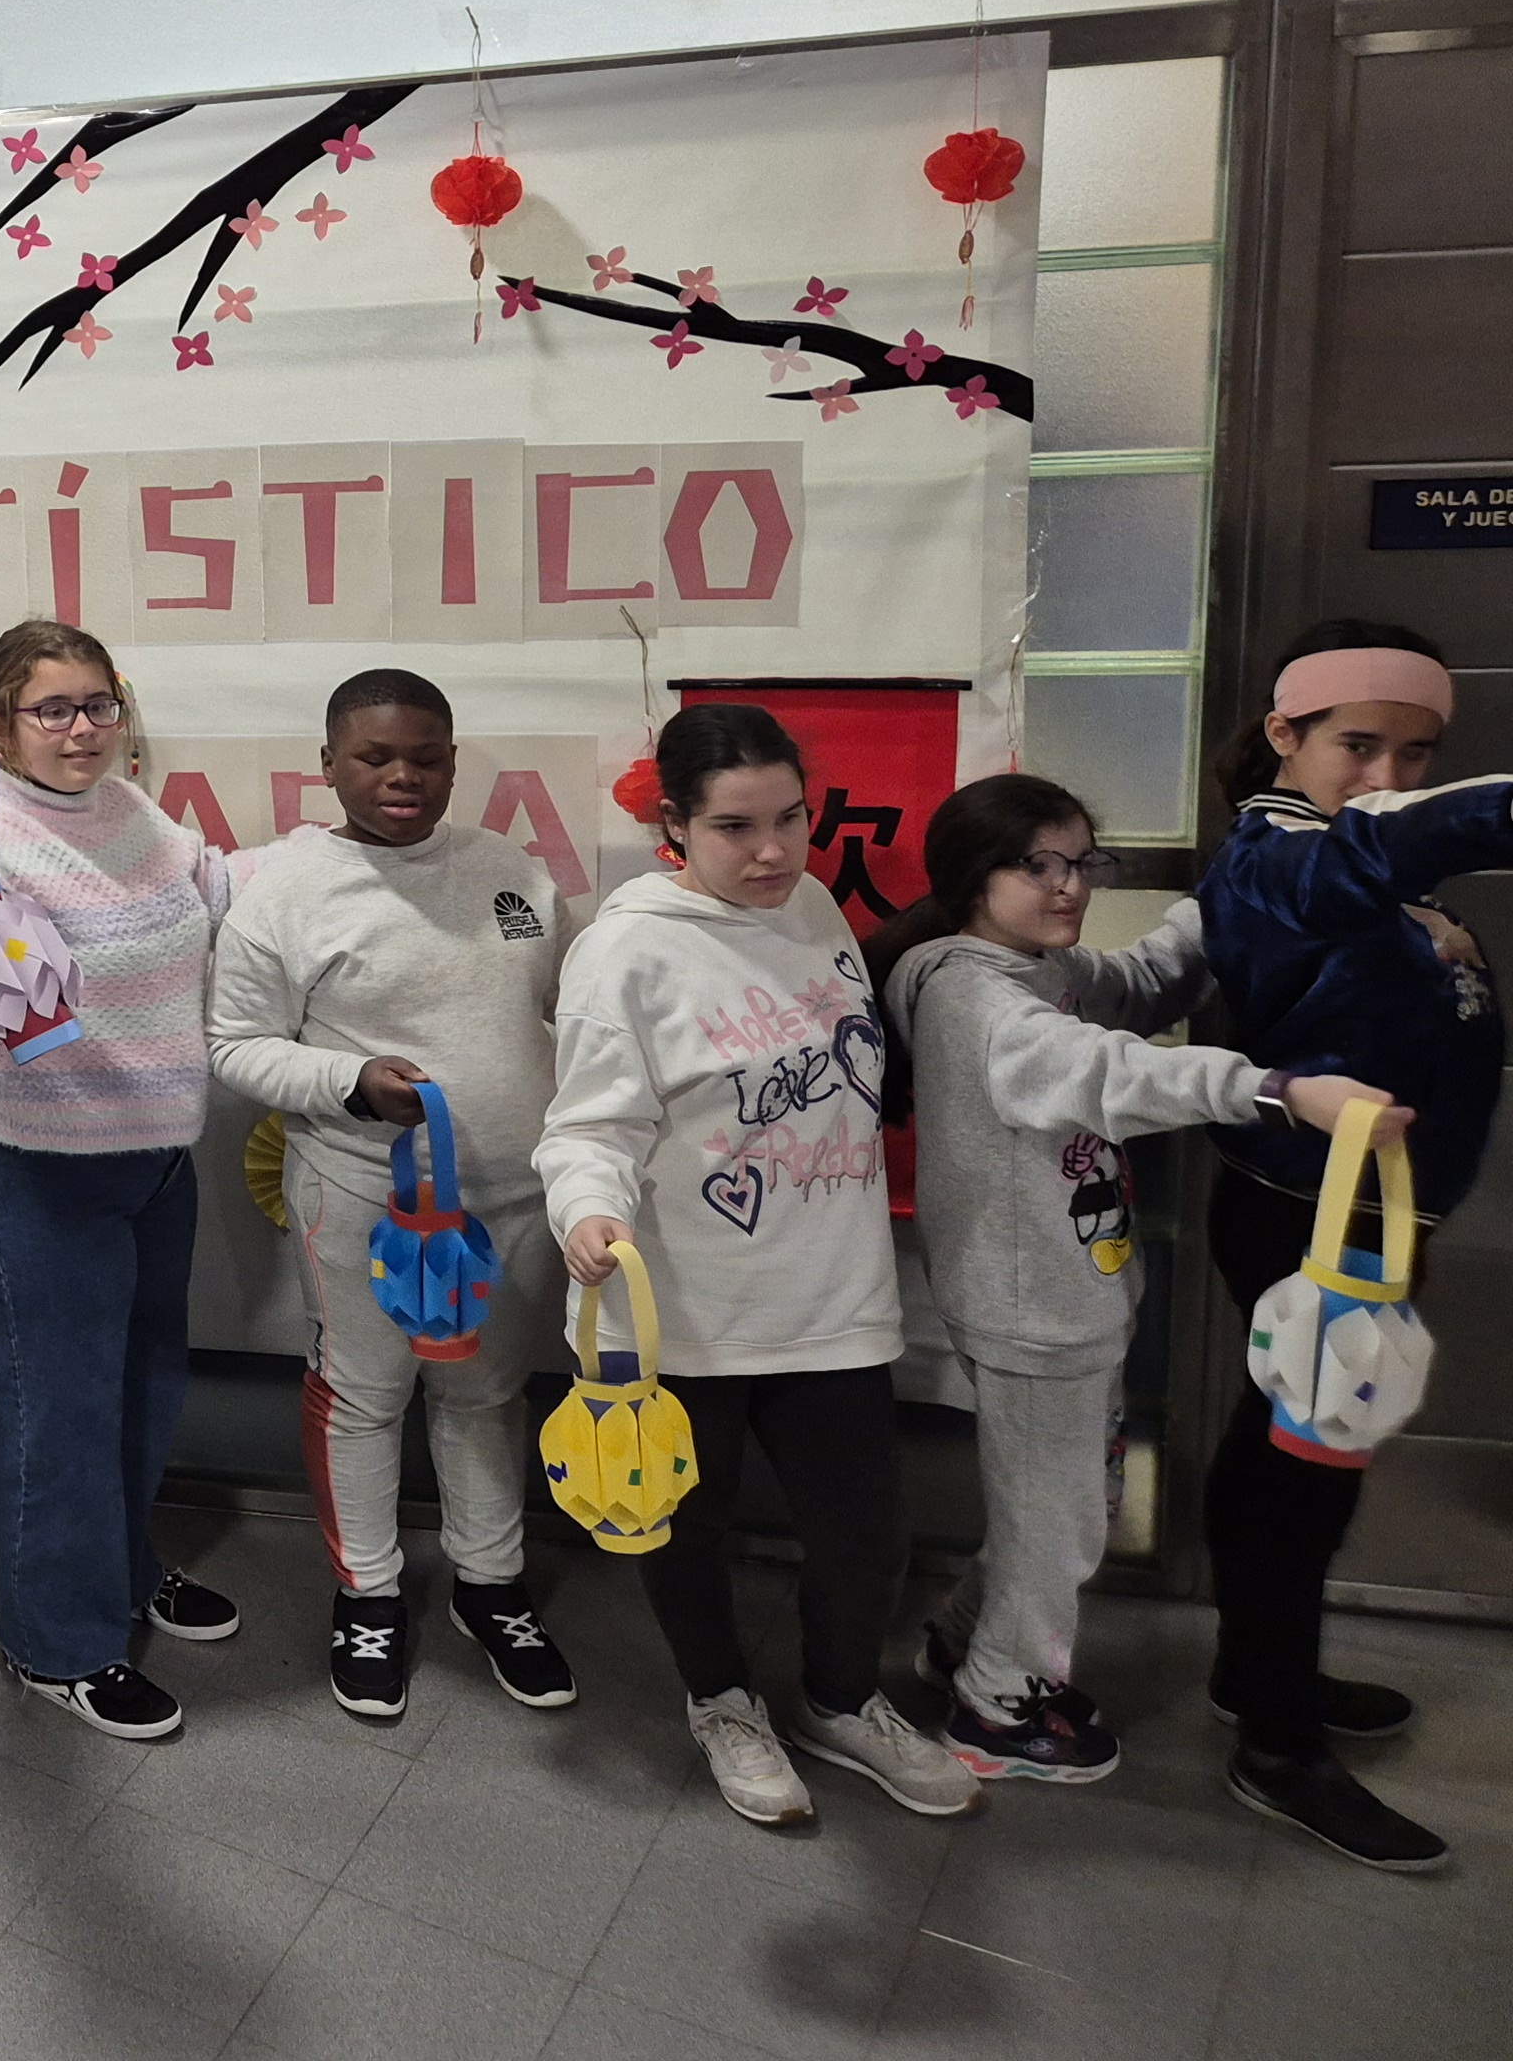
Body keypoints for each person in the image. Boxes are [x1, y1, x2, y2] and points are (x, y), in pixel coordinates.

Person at [872, 772, 1398, 1788]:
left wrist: (1237, 882)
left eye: (1082, 861)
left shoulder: (1038, 967)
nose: (1068, 886)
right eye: (1039, 866)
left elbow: (1144, 981)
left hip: (1059, 1298)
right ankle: (997, 1707)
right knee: (1059, 1524)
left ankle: (966, 1642)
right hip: (1031, 1310)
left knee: (1056, 1506)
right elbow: (1113, 1070)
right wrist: (1280, 1091)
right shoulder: (978, 999)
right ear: (972, 876)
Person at [536, 703, 979, 1830]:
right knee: (688, 1525)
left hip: (830, 1293)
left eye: (791, 818)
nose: (773, 850)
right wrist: (587, 1211)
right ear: (674, 826)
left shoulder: (812, 907)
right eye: (736, 828)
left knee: (865, 1532)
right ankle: (723, 1703)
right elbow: (586, 1126)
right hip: (685, 1308)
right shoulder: (626, 951)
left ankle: (841, 1701)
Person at [0, 619, 244, 1739]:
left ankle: (118, 1568)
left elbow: (212, 891)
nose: (81, 728)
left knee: (142, 1386)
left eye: (97, 705)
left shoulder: (132, 811)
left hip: (153, 1157)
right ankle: (56, 1642)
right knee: (57, 1411)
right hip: (32, 1170)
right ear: (2, 722)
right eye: (53, 709)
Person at [1192, 618, 1511, 1870]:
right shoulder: (1274, 856)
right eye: (1357, 745)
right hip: (1306, 1218)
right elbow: (1358, 866)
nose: (1386, 776)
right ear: (1284, 733)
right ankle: (1276, 1748)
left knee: (1286, 1455)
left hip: (1369, 1211)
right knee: (1305, 1478)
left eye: (1414, 753)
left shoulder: (1349, 849)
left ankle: (1254, 1673)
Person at [211, 667, 576, 1722]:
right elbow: (233, 1044)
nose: (403, 776)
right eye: (375, 757)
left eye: (425, 757)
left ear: (453, 762)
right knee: (364, 1397)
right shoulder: (285, 890)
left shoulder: (512, 871)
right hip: (364, 1192)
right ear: (329, 764)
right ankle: (367, 1594)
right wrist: (349, 1080)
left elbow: (565, 1008)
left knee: (486, 1395)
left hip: (513, 1197)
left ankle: (489, 1584)